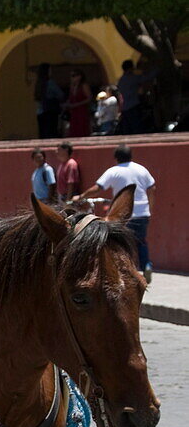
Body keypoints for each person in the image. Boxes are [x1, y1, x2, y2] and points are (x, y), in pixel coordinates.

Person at [76, 144, 155, 282]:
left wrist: (81, 196)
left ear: (116, 158)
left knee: (123, 244)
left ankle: (130, 272)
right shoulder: (141, 169)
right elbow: (152, 187)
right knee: (141, 242)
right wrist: (150, 207)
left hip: (123, 214)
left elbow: (98, 188)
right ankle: (146, 265)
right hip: (143, 212)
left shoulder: (114, 171)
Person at [116, 60, 157, 135]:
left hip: (125, 108)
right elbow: (147, 77)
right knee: (137, 128)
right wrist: (157, 69)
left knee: (127, 130)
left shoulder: (120, 80)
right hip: (133, 106)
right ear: (130, 68)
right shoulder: (132, 78)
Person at [34, 63, 63, 140]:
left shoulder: (38, 83)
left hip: (40, 112)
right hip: (50, 111)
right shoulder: (50, 83)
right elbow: (60, 94)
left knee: (43, 134)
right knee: (51, 133)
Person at [63, 70, 92, 138]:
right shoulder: (72, 86)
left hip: (82, 111)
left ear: (79, 77)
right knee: (73, 129)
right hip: (73, 112)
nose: (72, 78)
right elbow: (71, 99)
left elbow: (89, 98)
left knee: (82, 128)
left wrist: (78, 104)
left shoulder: (84, 85)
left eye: (74, 76)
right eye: (71, 76)